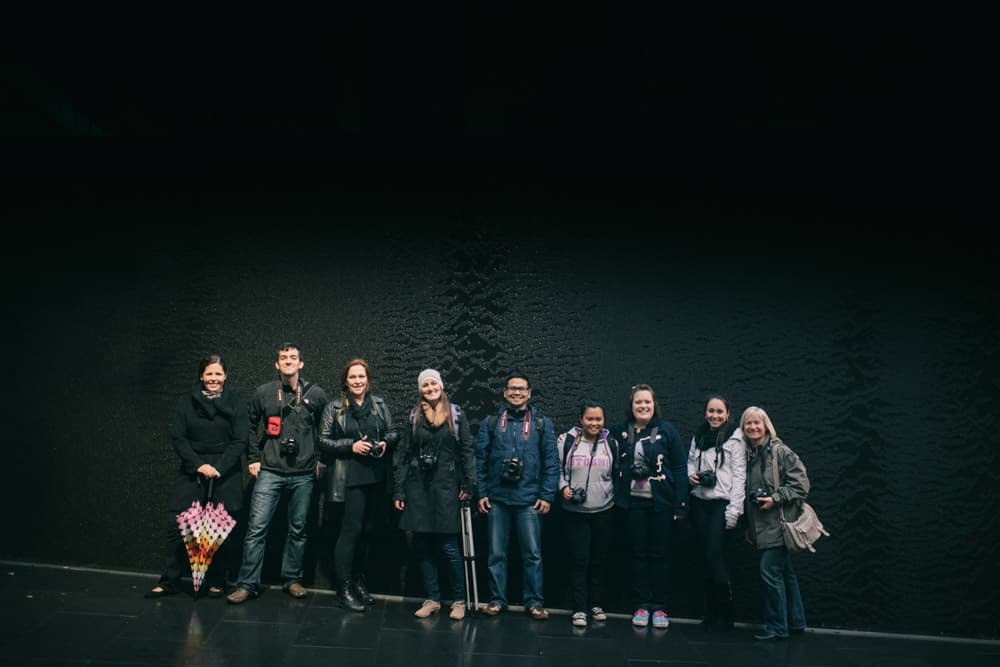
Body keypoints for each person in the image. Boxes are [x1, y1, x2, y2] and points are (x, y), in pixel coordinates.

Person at [227, 342, 329, 604]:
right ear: (276, 364)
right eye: (283, 357)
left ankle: (292, 579)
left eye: (293, 357)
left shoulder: (316, 394)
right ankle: (247, 584)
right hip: (270, 470)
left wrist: (322, 460)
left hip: (304, 473)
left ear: (301, 363)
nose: (288, 361)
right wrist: (252, 458)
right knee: (256, 529)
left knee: (298, 529)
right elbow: (248, 426)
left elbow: (327, 430)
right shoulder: (263, 392)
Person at [146, 353, 249, 599]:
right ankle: (168, 581)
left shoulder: (236, 402)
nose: (214, 378)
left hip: (225, 470)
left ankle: (216, 581)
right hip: (194, 468)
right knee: (177, 524)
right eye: (209, 374)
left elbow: (240, 439)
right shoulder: (185, 402)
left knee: (220, 527)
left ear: (225, 376)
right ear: (201, 376)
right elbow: (178, 438)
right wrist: (198, 465)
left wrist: (219, 467)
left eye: (218, 374)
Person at [392, 369, 477, 620]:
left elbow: (467, 451)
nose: (430, 388)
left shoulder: (456, 414)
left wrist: (469, 483)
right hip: (419, 487)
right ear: (420, 389)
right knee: (423, 545)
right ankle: (432, 599)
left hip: (447, 487)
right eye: (425, 385)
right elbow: (405, 454)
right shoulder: (414, 415)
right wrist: (399, 488)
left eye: (433, 383)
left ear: (441, 386)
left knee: (449, 546)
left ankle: (459, 600)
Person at [475, 370, 559, 620]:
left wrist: (546, 495)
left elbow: (551, 462)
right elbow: (479, 460)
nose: (516, 392)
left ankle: (534, 602)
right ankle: (496, 599)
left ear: (529, 393)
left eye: (521, 389)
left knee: (532, 554)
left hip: (529, 500)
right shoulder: (491, 422)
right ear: (504, 392)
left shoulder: (542, 423)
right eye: (512, 388)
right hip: (498, 498)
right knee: (496, 554)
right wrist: (481, 492)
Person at [317, 357, 398, 612]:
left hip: (375, 476)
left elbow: (394, 432)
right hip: (348, 478)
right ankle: (344, 588)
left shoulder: (379, 404)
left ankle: (358, 582)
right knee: (350, 532)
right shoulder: (334, 407)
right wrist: (350, 446)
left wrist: (385, 443)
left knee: (367, 531)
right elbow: (323, 441)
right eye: (352, 377)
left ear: (368, 379)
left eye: (361, 376)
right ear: (345, 381)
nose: (357, 381)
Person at [612, 383, 689, 630]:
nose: (643, 406)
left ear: (654, 405)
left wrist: (680, 504)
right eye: (638, 402)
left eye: (647, 402)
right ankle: (642, 605)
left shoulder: (667, 431)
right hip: (633, 504)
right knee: (637, 554)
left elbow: (679, 467)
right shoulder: (621, 430)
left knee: (660, 555)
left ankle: (659, 607)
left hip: (662, 505)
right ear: (631, 405)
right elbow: (594, 432)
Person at [741, 405, 809, 641]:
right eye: (748, 423)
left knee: (769, 572)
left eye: (756, 423)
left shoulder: (780, 452)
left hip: (780, 525)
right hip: (762, 528)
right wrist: (750, 526)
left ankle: (777, 627)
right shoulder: (750, 455)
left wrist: (775, 499)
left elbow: (802, 485)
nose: (752, 427)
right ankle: (797, 623)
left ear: (765, 425)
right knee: (785, 574)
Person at [556, 399, 619, 627]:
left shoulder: (611, 442)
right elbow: (558, 470)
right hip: (575, 512)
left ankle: (596, 604)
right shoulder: (567, 442)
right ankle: (579, 608)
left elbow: (615, 475)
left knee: (599, 560)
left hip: (604, 511)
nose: (594, 423)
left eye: (598, 419)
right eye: (590, 419)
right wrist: (563, 488)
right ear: (581, 419)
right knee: (579, 560)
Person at [686, 395, 747, 630]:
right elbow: (691, 462)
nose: (715, 415)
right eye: (711, 411)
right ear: (705, 413)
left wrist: (734, 511)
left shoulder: (735, 438)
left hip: (722, 503)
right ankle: (711, 613)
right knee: (706, 557)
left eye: (719, 411)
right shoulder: (699, 435)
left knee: (714, 554)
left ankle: (727, 612)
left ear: (728, 414)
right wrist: (690, 475)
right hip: (700, 502)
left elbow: (740, 477)